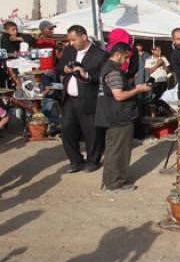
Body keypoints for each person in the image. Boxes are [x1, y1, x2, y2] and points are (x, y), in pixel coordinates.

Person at [95, 42, 151, 192]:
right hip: (118, 117)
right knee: (117, 151)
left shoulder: (109, 69)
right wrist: (137, 89)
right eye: (125, 58)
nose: (126, 61)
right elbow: (119, 95)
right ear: (118, 54)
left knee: (115, 150)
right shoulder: (113, 71)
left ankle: (112, 180)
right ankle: (114, 183)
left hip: (114, 115)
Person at [56, 25, 109, 172]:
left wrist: (86, 75)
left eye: (74, 40)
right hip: (69, 99)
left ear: (84, 37)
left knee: (91, 131)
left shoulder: (100, 54)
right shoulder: (69, 51)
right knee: (66, 129)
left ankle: (93, 160)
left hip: (88, 98)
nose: (71, 43)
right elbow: (58, 67)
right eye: (70, 40)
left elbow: (104, 77)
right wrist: (64, 69)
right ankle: (76, 160)